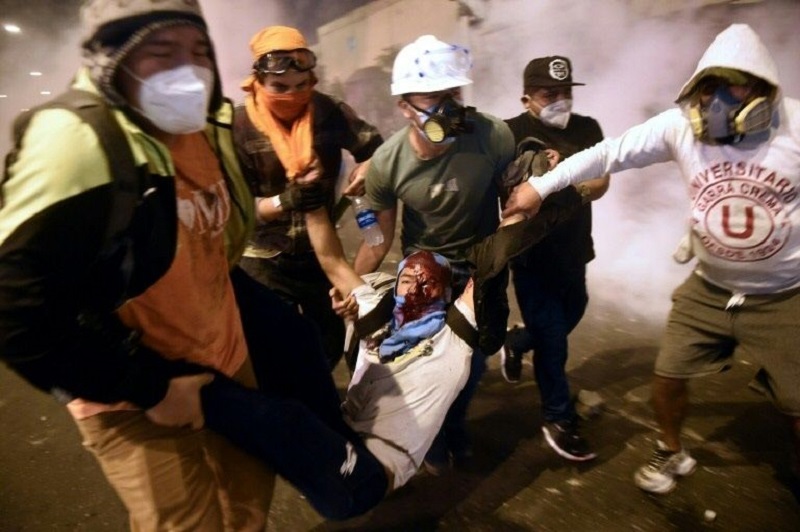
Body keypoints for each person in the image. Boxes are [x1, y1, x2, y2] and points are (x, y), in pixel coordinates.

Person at [0, 1, 353, 528]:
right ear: (109, 60)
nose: (186, 70)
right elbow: (13, 309)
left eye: (198, 51)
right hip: (135, 398)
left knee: (248, 509)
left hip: (227, 363)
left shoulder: (209, 129)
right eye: (159, 52)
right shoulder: (76, 141)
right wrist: (147, 386)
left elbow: (215, 250)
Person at [503, 23, 800, 494]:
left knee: (795, 402)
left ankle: (520, 343)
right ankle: (614, 434)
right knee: (638, 365)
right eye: (710, 86)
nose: (719, 99)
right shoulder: (680, 126)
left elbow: (599, 168)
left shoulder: (795, 126)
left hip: (782, 291)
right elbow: (609, 155)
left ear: (763, 88)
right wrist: (537, 187)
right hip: (696, 283)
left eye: (735, 85)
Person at [353, 34, 516, 471]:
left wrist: (499, 257)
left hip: (481, 270)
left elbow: (515, 205)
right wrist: (354, 289)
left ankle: (455, 423)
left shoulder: (492, 136)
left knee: (474, 364)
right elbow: (378, 241)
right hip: (425, 277)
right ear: (404, 105)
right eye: (434, 97)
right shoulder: (388, 163)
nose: (449, 108)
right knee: (424, 364)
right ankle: (434, 436)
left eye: (454, 95)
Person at [234, 25, 384, 369]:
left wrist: (367, 170)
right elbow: (235, 212)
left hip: (320, 254)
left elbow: (377, 151)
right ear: (258, 80)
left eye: (302, 86)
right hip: (262, 259)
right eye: (280, 88)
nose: (293, 95)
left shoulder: (329, 112)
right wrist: (286, 201)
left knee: (329, 343)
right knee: (271, 350)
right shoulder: (239, 128)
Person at [502, 56, 610, 461]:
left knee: (574, 312)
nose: (560, 100)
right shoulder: (509, 133)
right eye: (550, 94)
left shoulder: (587, 128)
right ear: (527, 97)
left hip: (574, 247)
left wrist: (562, 185)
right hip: (532, 255)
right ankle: (558, 418)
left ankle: (517, 340)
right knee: (553, 342)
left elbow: (601, 180)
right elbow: (504, 191)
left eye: (566, 92)